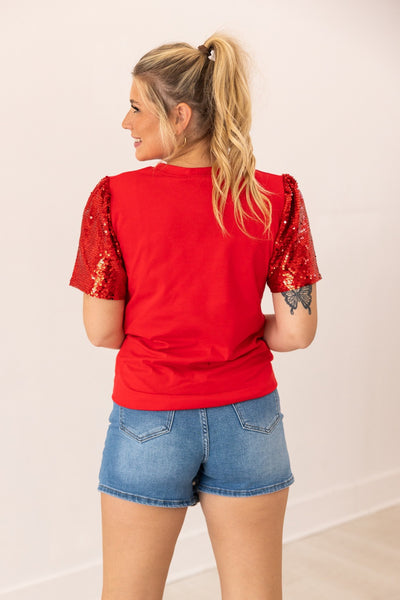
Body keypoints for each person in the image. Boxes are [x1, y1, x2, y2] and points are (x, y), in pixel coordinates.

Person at [70, 33, 321, 600]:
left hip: (149, 419)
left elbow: (101, 330)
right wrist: (232, 327)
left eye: (136, 108)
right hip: (251, 421)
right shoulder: (275, 196)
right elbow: (297, 330)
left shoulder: (113, 199)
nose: (126, 122)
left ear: (179, 115)